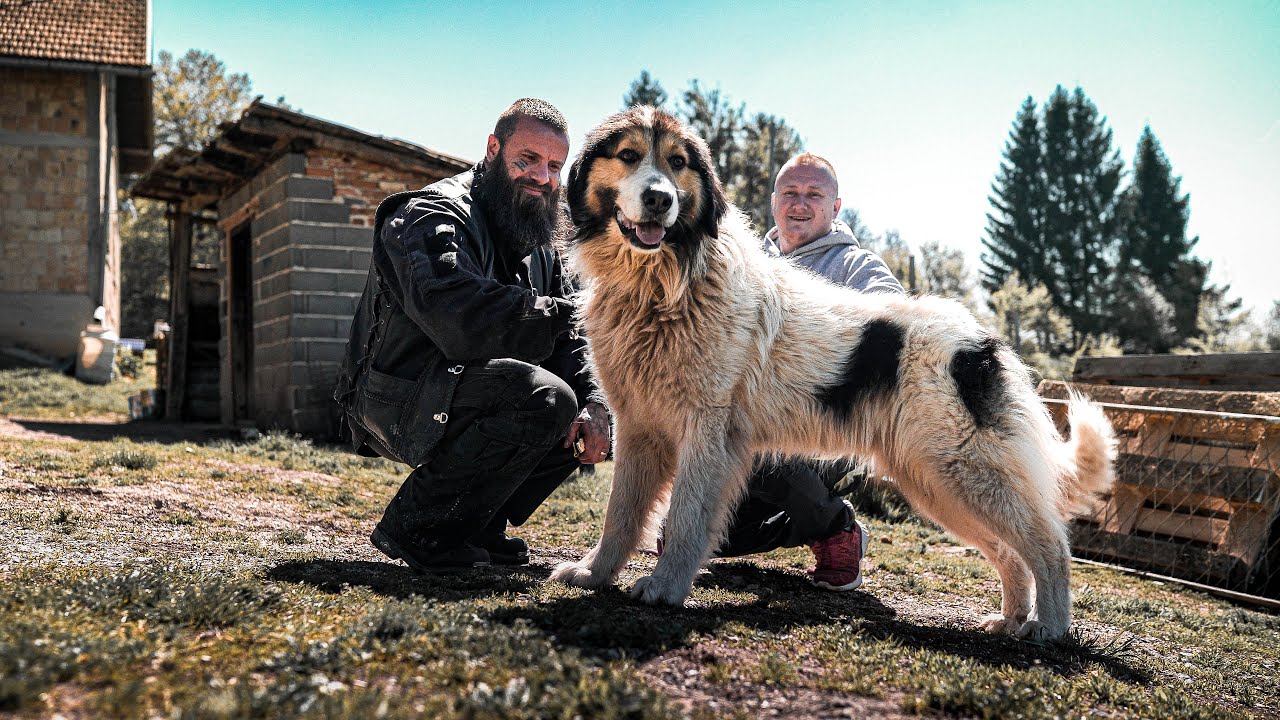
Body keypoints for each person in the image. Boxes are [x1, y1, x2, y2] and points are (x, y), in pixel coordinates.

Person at [334, 98, 611, 573]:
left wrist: (597, 404)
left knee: (576, 406)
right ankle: (419, 528)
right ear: (492, 148)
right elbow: (459, 318)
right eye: (526, 159)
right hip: (398, 396)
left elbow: (569, 340)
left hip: (458, 390)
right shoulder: (430, 215)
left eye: (553, 166)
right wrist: (568, 315)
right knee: (543, 399)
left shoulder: (538, 238)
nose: (542, 177)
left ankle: (476, 525)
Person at [716, 153, 904, 590]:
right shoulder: (744, 265)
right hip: (744, 415)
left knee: (757, 438)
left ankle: (837, 530)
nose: (799, 204)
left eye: (814, 195)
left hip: (827, 425)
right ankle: (815, 519)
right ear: (773, 201)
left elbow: (892, 323)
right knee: (721, 541)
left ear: (836, 208)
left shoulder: (856, 266)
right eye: (790, 193)